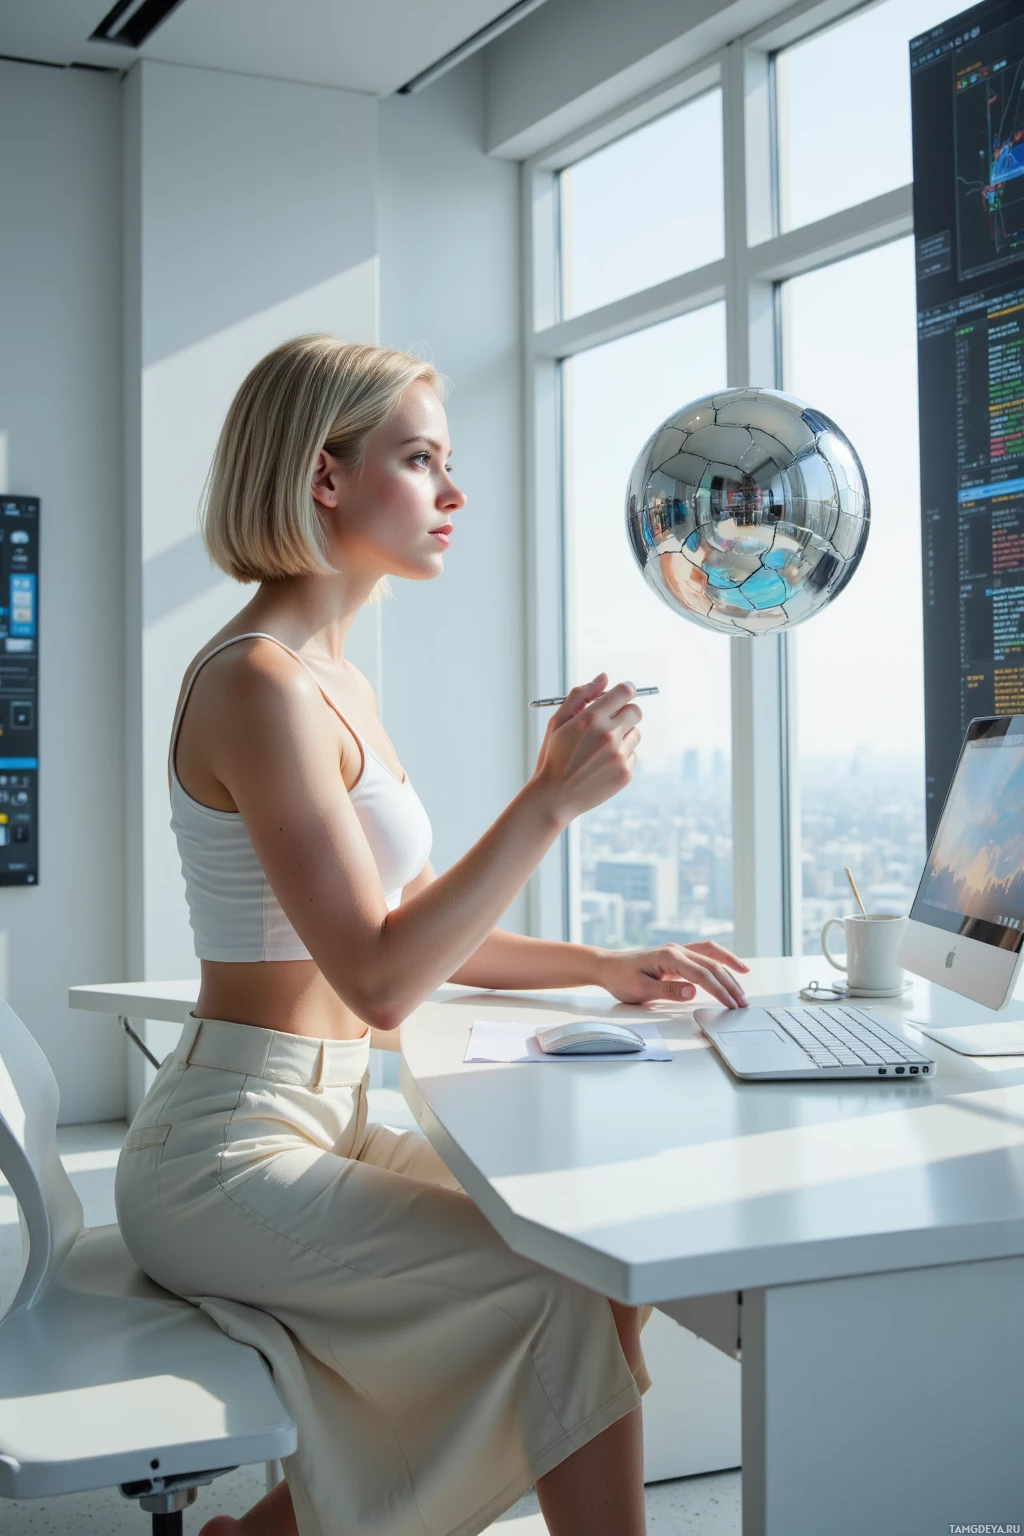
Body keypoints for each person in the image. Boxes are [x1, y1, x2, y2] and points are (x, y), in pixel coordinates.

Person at [114, 335, 749, 1536]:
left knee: (593, 1268)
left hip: (324, 1112)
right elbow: (381, 978)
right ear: (324, 478)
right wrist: (547, 801)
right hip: (227, 1152)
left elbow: (396, 929)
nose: (454, 494)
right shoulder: (260, 682)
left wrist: (601, 967)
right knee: (556, 1300)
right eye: (420, 460)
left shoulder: (328, 674)